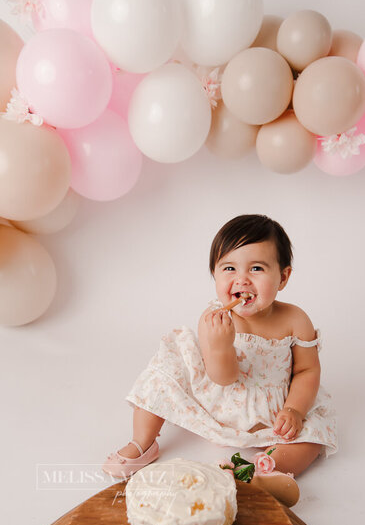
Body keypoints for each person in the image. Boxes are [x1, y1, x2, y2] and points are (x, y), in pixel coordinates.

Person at [103, 214, 337, 505]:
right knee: (166, 370)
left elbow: (306, 370)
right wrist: (220, 346)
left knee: (315, 435)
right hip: (220, 398)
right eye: (229, 268)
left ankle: (261, 471)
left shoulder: (295, 319)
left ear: (283, 277)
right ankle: (143, 441)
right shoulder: (215, 320)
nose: (242, 279)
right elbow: (222, 378)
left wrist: (295, 410)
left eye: (256, 268)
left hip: (276, 407)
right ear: (215, 273)